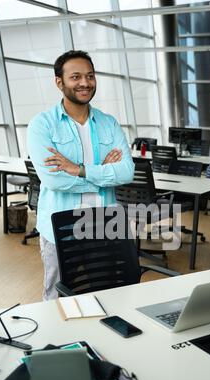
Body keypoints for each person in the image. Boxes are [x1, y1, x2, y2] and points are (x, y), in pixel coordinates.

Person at [27, 50, 135, 300]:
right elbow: (53, 179)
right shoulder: (42, 125)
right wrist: (104, 174)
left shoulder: (109, 123)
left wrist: (80, 168)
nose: (85, 82)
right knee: (57, 298)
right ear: (59, 82)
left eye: (90, 76)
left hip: (105, 226)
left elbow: (127, 172)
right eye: (75, 76)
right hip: (61, 229)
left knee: (108, 295)